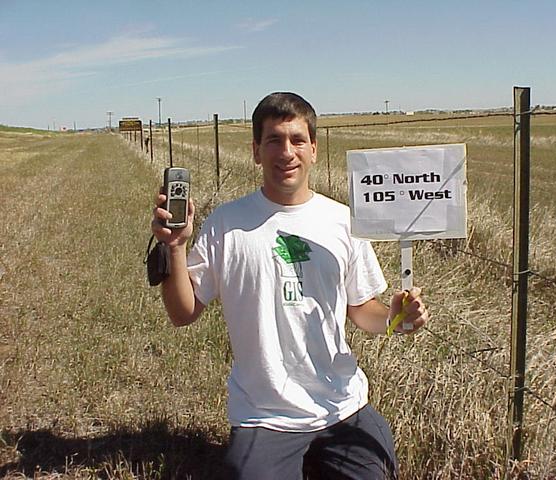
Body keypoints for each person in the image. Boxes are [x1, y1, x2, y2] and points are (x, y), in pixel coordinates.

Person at [151, 92, 428, 479]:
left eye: (298, 140)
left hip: (342, 405)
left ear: (313, 149)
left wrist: (395, 318)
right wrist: (176, 248)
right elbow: (182, 313)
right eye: (274, 141)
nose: (287, 152)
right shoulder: (226, 225)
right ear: (256, 151)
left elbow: (363, 310)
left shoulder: (343, 222)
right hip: (265, 414)